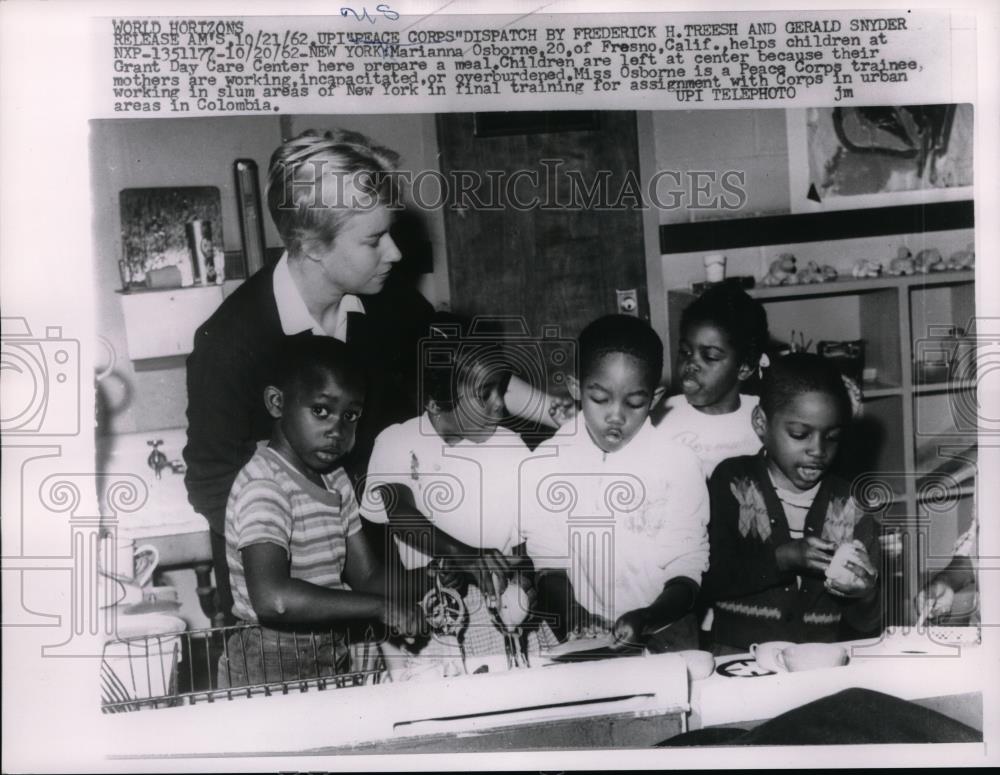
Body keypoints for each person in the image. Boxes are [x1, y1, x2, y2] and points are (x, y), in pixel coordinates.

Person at [184, 128, 432, 624]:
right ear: (313, 245)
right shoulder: (230, 342)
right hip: (284, 596)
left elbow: (455, 375)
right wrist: (303, 550)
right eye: (373, 240)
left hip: (375, 573)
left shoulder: (391, 305)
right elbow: (211, 480)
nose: (396, 254)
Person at [217, 337, 423, 687]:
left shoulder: (335, 479)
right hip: (269, 657)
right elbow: (273, 599)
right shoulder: (266, 485)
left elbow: (367, 574)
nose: (337, 431)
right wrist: (381, 608)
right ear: (277, 402)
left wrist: (431, 578)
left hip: (327, 646)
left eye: (351, 416)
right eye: (321, 410)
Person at [361, 314, 551, 670]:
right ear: (436, 402)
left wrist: (525, 578)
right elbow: (401, 516)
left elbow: (533, 542)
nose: (499, 405)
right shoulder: (397, 442)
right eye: (484, 394)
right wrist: (463, 558)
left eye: (501, 390)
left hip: (507, 621)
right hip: (437, 621)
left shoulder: (511, 446)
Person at [522, 315, 710, 651]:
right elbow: (549, 561)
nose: (616, 416)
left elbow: (688, 566)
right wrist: (574, 616)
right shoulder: (546, 463)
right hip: (581, 635)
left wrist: (648, 617)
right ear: (576, 388)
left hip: (667, 634)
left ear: (654, 399)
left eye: (634, 403)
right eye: (600, 399)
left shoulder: (678, 463)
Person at [701, 353, 882, 653]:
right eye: (800, 434)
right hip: (738, 663)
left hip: (816, 667)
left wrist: (865, 593)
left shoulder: (850, 504)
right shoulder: (734, 482)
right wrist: (782, 558)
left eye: (833, 437)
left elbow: (867, 623)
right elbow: (710, 579)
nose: (818, 450)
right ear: (761, 423)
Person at [657, 284, 769, 479]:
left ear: (744, 368)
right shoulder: (660, 416)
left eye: (709, 356)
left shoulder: (765, 419)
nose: (691, 364)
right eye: (685, 352)